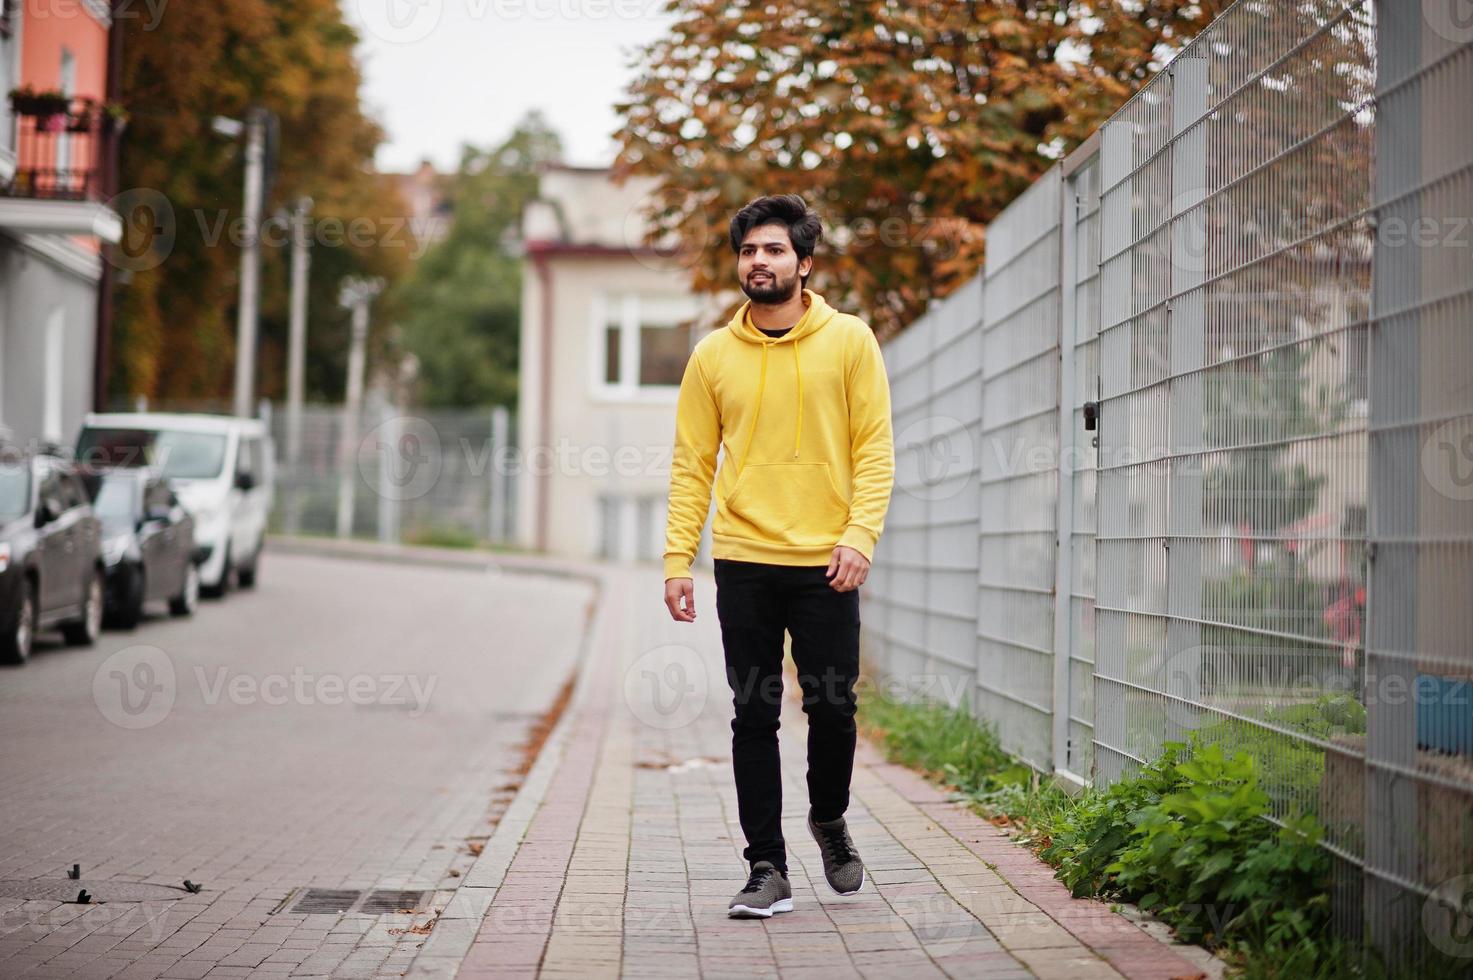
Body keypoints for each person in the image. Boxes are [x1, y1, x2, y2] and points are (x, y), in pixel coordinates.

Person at [661, 194, 895, 918]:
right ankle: (766, 866)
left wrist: (859, 536)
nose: (757, 262)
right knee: (751, 715)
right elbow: (692, 464)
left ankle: (828, 818)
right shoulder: (712, 355)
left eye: (772, 250)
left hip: (828, 561)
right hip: (743, 560)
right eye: (747, 251)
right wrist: (677, 560)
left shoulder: (850, 341)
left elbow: (874, 449)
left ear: (803, 262)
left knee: (832, 708)